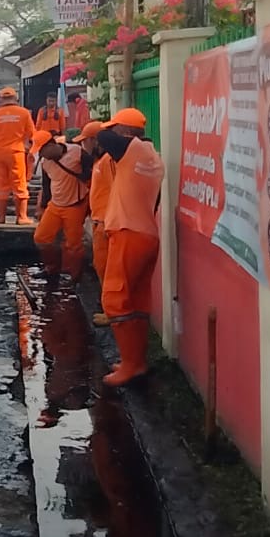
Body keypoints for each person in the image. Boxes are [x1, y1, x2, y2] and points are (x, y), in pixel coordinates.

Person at [95, 108, 164, 387]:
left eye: (116, 129)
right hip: (146, 233)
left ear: (125, 133)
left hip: (128, 233)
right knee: (136, 301)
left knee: (115, 300)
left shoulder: (133, 150)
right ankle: (134, 361)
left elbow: (101, 135)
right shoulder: (153, 158)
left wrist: (112, 130)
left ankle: (132, 365)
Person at [33, 131, 93, 286]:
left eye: (42, 150)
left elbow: (91, 174)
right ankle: (51, 268)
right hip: (56, 204)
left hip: (76, 205)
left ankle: (74, 277)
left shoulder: (77, 152)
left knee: (74, 246)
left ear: (51, 144)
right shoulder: (45, 162)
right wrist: (42, 206)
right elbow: (46, 185)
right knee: (41, 238)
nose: (41, 155)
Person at [77, 121, 115, 325]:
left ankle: (111, 312)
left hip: (105, 222)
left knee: (107, 269)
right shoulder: (99, 162)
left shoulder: (108, 162)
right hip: (99, 220)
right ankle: (108, 308)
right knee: (101, 267)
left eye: (85, 142)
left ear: (93, 140)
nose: (83, 146)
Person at [0, 87, 35, 225]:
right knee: (19, 184)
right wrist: (33, 151)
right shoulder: (24, 113)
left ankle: (0, 217)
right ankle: (22, 217)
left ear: (1, 99)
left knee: (1, 186)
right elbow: (32, 134)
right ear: (15, 98)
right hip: (17, 153)